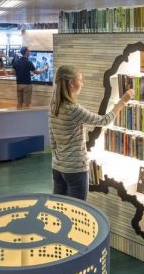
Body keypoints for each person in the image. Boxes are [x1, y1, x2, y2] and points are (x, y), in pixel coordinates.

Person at [49, 65, 134, 200]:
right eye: (80, 80)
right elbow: (104, 120)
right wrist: (122, 102)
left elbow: (52, 140)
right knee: (77, 213)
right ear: (71, 83)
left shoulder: (54, 106)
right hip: (76, 169)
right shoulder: (73, 109)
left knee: (59, 210)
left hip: (58, 168)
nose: (82, 84)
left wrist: (59, 161)